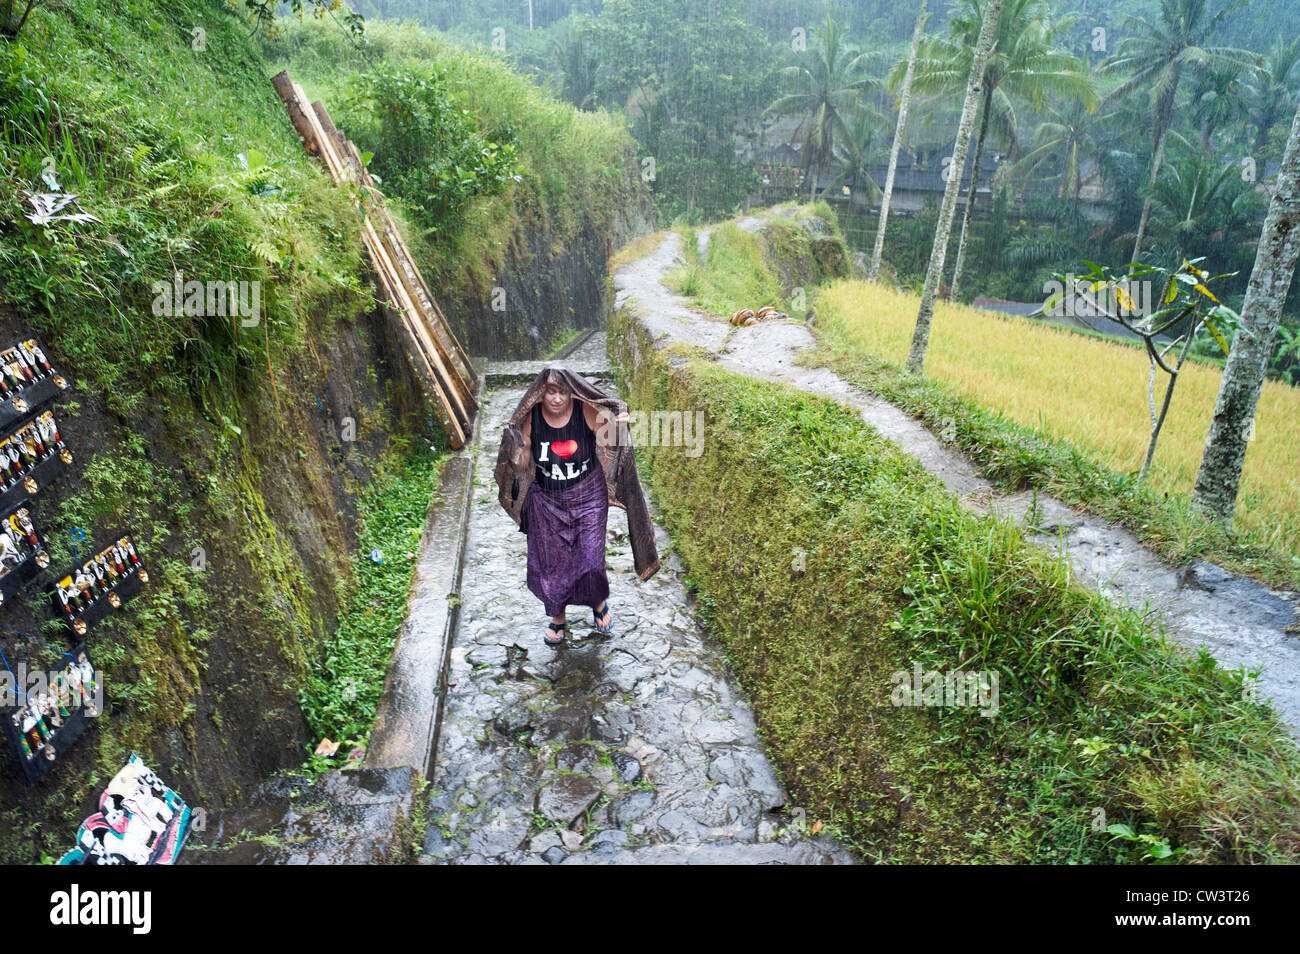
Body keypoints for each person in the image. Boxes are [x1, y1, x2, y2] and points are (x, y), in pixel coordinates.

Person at [495, 367, 660, 648]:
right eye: (550, 391)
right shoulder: (533, 418)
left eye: (562, 391)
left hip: (588, 497)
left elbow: (609, 441)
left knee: (591, 558)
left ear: (571, 392)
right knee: (551, 564)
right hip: (548, 500)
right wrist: (514, 453)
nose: (556, 398)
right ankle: (558, 618)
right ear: (540, 393)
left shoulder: (585, 411)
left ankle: (597, 603)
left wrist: (619, 426)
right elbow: (523, 464)